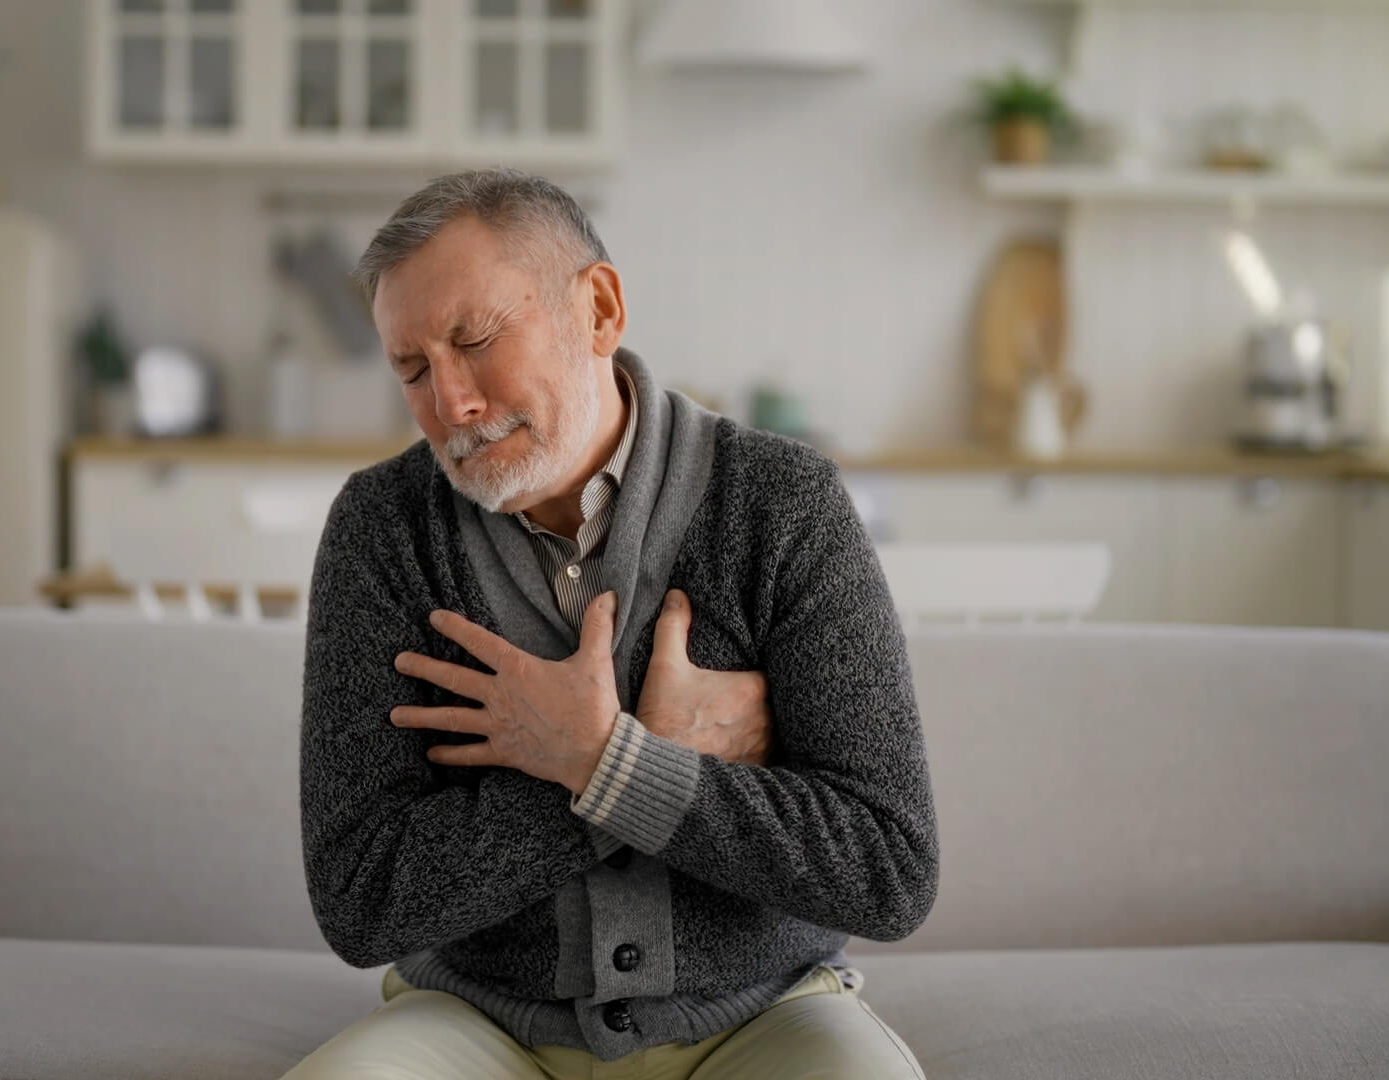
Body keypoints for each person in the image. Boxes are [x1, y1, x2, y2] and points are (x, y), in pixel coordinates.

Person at [290, 167, 937, 1079]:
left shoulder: (785, 503)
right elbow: (361, 900)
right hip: (480, 1023)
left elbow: (888, 868)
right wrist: (633, 757)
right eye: (412, 368)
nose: (452, 404)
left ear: (597, 309)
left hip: (764, 1016)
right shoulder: (381, 528)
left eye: (475, 340)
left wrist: (603, 759)